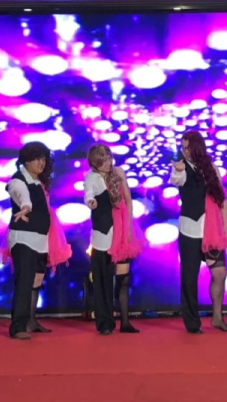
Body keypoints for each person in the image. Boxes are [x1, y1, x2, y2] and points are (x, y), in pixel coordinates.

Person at [0, 141, 72, 340]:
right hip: (24, 239)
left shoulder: (39, 181)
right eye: (37, 158)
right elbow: (23, 197)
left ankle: (31, 320)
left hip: (40, 239)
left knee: (36, 280)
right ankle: (17, 326)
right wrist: (26, 207)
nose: (41, 162)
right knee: (24, 282)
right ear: (26, 160)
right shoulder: (17, 181)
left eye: (44, 158)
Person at [170, 130, 227, 334]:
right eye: (183, 148)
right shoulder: (181, 168)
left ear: (198, 147)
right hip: (190, 232)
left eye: (188, 147)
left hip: (212, 231)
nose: (185, 151)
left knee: (220, 273)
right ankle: (192, 323)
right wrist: (178, 171)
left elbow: (221, 200)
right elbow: (176, 179)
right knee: (189, 279)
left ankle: (217, 318)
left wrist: (225, 229)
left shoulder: (211, 168)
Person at [84, 144, 142, 335]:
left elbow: (128, 201)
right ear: (94, 162)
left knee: (122, 280)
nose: (108, 163)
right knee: (102, 281)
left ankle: (124, 321)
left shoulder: (118, 173)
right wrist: (91, 202)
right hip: (103, 236)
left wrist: (129, 228)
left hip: (122, 231)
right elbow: (88, 194)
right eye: (103, 160)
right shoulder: (91, 178)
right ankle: (105, 322)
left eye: (109, 158)